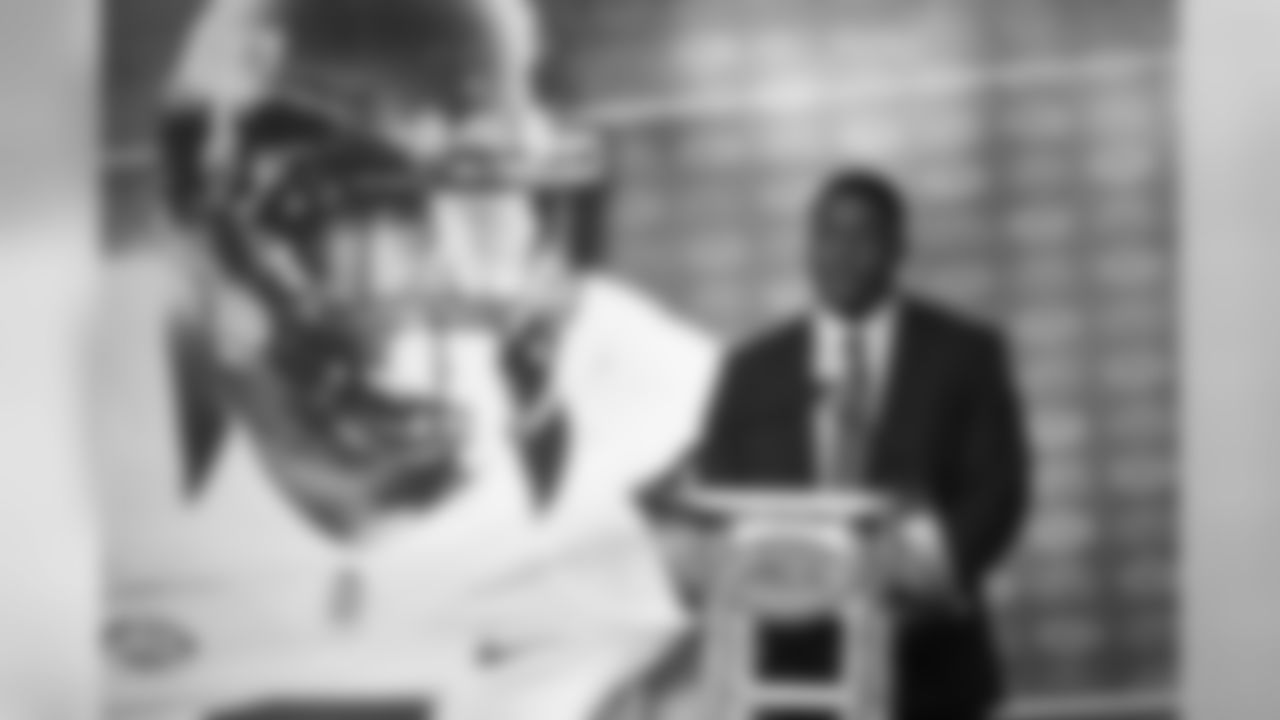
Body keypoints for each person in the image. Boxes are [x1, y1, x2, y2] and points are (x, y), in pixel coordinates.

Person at [88, 2, 720, 719]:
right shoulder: (56, 395)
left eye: (488, 184)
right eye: (360, 208)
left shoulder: (665, 407)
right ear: (204, 217)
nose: (450, 272)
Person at [696, 168, 1031, 720]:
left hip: (932, 670)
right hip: (789, 674)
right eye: (827, 235)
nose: (842, 254)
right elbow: (720, 496)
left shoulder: (965, 355)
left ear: (899, 248)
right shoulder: (753, 370)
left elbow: (998, 492)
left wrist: (922, 579)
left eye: (863, 236)